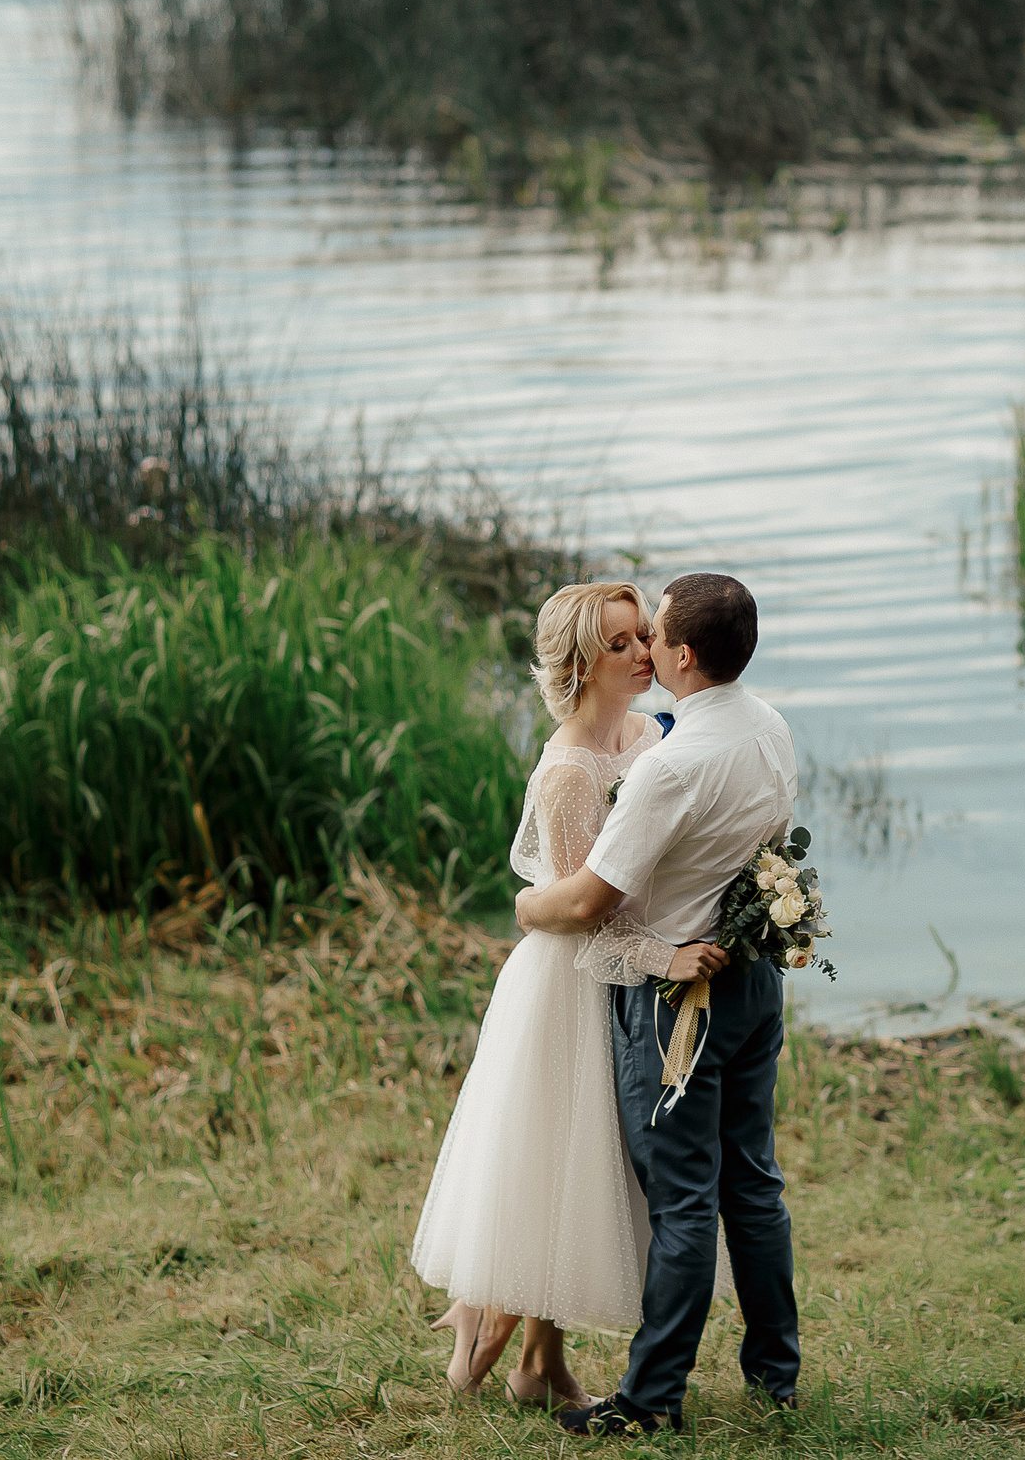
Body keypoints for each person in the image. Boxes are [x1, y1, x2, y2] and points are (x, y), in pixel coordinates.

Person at [408, 582, 728, 1406]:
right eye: (621, 643)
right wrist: (665, 958)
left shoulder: (652, 731)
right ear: (584, 664)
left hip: (620, 979)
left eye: (643, 636)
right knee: (556, 1163)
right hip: (573, 983)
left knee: (595, 1167)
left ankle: (538, 1365)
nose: (643, 653)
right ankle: (487, 1348)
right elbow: (586, 917)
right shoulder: (568, 773)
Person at [515, 572, 803, 1436]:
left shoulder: (669, 764)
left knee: (683, 1201)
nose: (643, 648)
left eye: (653, 634)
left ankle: (648, 1400)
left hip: (683, 999)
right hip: (756, 980)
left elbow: (594, 899)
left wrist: (529, 904)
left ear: (680, 654)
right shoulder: (769, 725)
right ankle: (775, 1376)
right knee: (753, 1183)